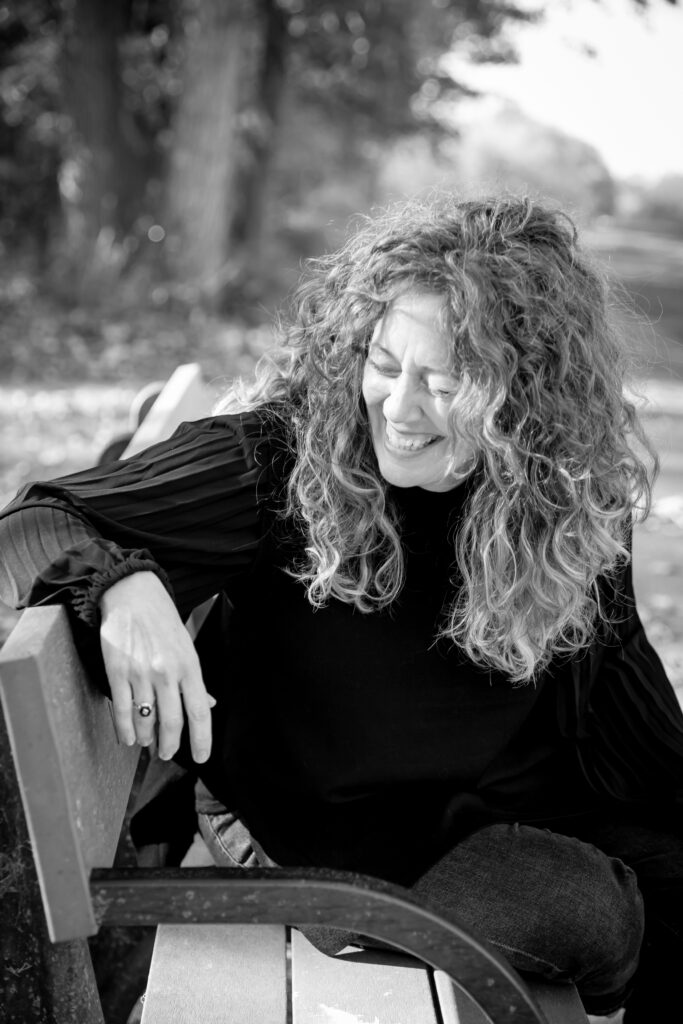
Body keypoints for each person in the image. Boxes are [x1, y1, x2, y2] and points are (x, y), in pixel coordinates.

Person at [1, 195, 682, 1022]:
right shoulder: (282, 464)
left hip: (493, 810)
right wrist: (118, 585)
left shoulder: (559, 496)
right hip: (338, 865)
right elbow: (28, 527)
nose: (398, 410)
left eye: (446, 381)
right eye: (385, 364)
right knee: (587, 909)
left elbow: (614, 684)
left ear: (530, 394)